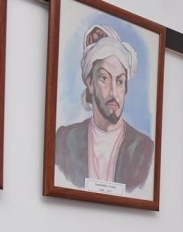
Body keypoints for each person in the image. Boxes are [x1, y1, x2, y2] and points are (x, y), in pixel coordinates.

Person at [54, 24, 154, 192]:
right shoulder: (65, 140)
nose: (113, 92)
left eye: (120, 81)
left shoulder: (144, 149)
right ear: (90, 83)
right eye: (104, 78)